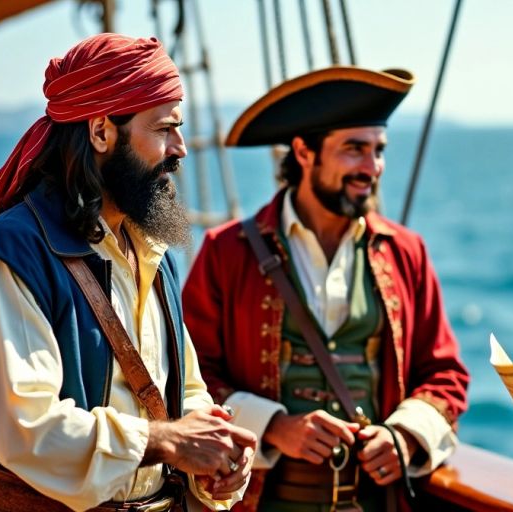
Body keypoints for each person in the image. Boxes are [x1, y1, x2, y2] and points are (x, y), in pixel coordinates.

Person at [0, 33, 256, 511]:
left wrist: (214, 455)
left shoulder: (148, 247)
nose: (181, 148)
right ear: (101, 131)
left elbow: (186, 390)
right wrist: (168, 441)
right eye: (165, 128)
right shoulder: (11, 255)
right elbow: (27, 430)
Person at [182, 66, 470, 511]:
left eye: (378, 151)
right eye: (354, 150)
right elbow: (189, 378)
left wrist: (403, 436)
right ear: (303, 151)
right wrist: (274, 426)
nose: (371, 168)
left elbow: (445, 376)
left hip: (378, 501)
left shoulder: (406, 251)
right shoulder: (226, 252)